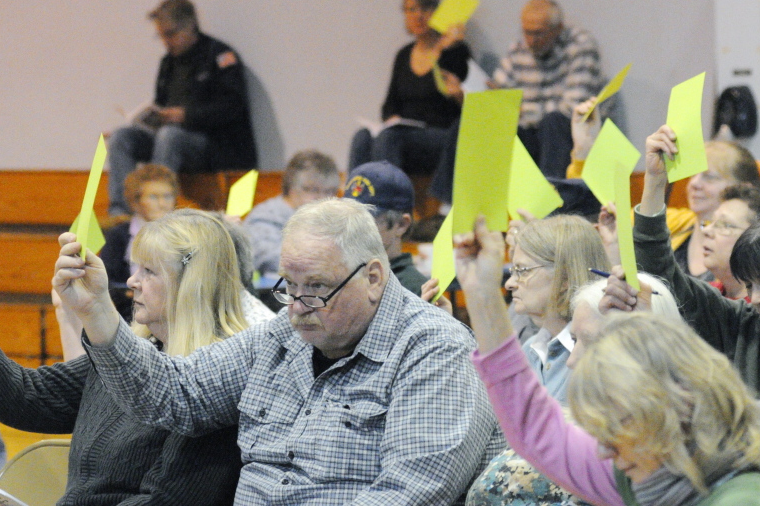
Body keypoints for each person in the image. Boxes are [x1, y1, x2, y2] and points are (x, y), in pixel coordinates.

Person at [54, 198, 505, 504]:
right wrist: (97, 313)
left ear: (373, 277)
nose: (297, 306)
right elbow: (178, 393)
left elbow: (412, 492)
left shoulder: (434, 350)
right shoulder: (282, 333)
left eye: (317, 288)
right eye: (289, 286)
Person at [0, 209, 248, 505]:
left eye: (149, 271)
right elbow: (23, 396)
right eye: (135, 268)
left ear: (192, 284)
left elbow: (163, 501)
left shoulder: (215, 382)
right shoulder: (131, 359)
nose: (131, 281)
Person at [454, 217, 760, 506]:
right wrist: (482, 292)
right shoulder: (652, 467)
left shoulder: (746, 498)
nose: (604, 452)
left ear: (672, 410)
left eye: (616, 430)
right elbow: (537, 429)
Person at [608, 124, 760, 398]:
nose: (755, 299)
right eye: (749, 286)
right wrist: (655, 180)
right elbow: (661, 277)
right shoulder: (740, 325)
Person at [465, 272, 681, 506]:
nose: (572, 360)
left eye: (589, 342)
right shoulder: (620, 466)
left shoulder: (658, 466)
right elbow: (533, 427)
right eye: (574, 340)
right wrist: (481, 289)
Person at [568, 100, 760, 280]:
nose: (694, 184)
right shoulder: (676, 222)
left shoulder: (757, 247)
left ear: (743, 190)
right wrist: (583, 150)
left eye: (709, 177)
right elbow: (601, 214)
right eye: (693, 175)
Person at [106, 0, 256, 216]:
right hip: (172, 139)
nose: (166, 41)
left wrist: (187, 116)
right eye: (161, 35)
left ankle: (156, 209)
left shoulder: (219, 56)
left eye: (171, 34)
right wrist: (147, 121)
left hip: (213, 145)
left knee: (170, 135)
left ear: (191, 25)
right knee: (122, 137)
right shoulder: (168, 63)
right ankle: (122, 211)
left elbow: (233, 107)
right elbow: (161, 105)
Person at [349, 0, 469, 180]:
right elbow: (390, 103)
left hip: (440, 135)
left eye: (425, 8)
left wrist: (446, 49)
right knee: (362, 137)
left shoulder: (455, 50)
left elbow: (458, 102)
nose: (418, 16)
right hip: (402, 135)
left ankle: (391, 208)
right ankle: (353, 207)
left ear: (437, 12)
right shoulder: (403, 55)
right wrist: (392, 119)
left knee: (389, 138)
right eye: (411, 9)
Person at [491, 0, 604, 178]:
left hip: (573, 135)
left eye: (538, 33)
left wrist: (522, 111)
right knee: (484, 125)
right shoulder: (518, 48)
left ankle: (552, 197)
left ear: (557, 29)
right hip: (531, 132)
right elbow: (499, 94)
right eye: (526, 32)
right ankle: (454, 202)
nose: (531, 40)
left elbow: (574, 108)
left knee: (553, 122)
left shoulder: (581, 46)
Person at [506, 214, 608, 403]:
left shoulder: (598, 354)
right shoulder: (530, 350)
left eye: (523, 271)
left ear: (565, 277)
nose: (509, 284)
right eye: (513, 271)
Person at [243, 150, 340, 281]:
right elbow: (270, 260)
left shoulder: (334, 219)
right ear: (292, 188)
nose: (323, 198)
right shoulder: (266, 217)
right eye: (313, 190)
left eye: (329, 191)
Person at [343, 161, 427, 296]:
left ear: (401, 225)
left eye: (367, 221)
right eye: (349, 217)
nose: (353, 228)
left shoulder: (417, 291)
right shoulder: (340, 275)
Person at [99, 164, 178, 287]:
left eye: (167, 196)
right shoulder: (118, 236)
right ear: (135, 202)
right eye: (153, 197)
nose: (162, 204)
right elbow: (108, 284)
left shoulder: (185, 235)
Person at [700, 185, 760, 299]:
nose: (706, 231)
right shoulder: (704, 295)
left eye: (724, 224)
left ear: (758, 237)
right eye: (710, 222)